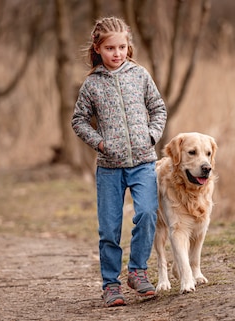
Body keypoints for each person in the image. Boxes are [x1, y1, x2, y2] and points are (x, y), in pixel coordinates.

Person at [71, 16, 167, 307]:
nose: (117, 53)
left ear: (129, 47)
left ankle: (138, 270)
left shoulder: (140, 76)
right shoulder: (91, 85)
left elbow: (158, 109)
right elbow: (79, 121)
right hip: (109, 169)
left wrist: (150, 137)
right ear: (98, 48)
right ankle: (111, 285)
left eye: (122, 47)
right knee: (110, 229)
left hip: (142, 162)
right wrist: (99, 142)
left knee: (148, 214)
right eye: (110, 48)